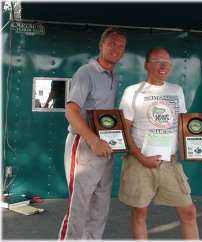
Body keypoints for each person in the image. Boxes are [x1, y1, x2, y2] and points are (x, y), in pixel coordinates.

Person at [119, 48, 202, 239]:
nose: (164, 66)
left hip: (170, 162)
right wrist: (141, 157)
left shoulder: (176, 90)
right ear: (147, 65)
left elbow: (184, 127)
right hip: (139, 162)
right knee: (140, 214)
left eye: (167, 62)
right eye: (158, 61)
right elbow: (124, 129)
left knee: (188, 212)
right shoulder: (132, 92)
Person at [58, 27, 126, 240]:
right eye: (112, 43)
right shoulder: (86, 72)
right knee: (79, 206)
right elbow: (70, 110)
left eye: (121, 46)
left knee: (100, 204)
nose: (116, 49)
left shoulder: (113, 76)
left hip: (105, 147)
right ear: (101, 45)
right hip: (85, 145)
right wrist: (93, 140)